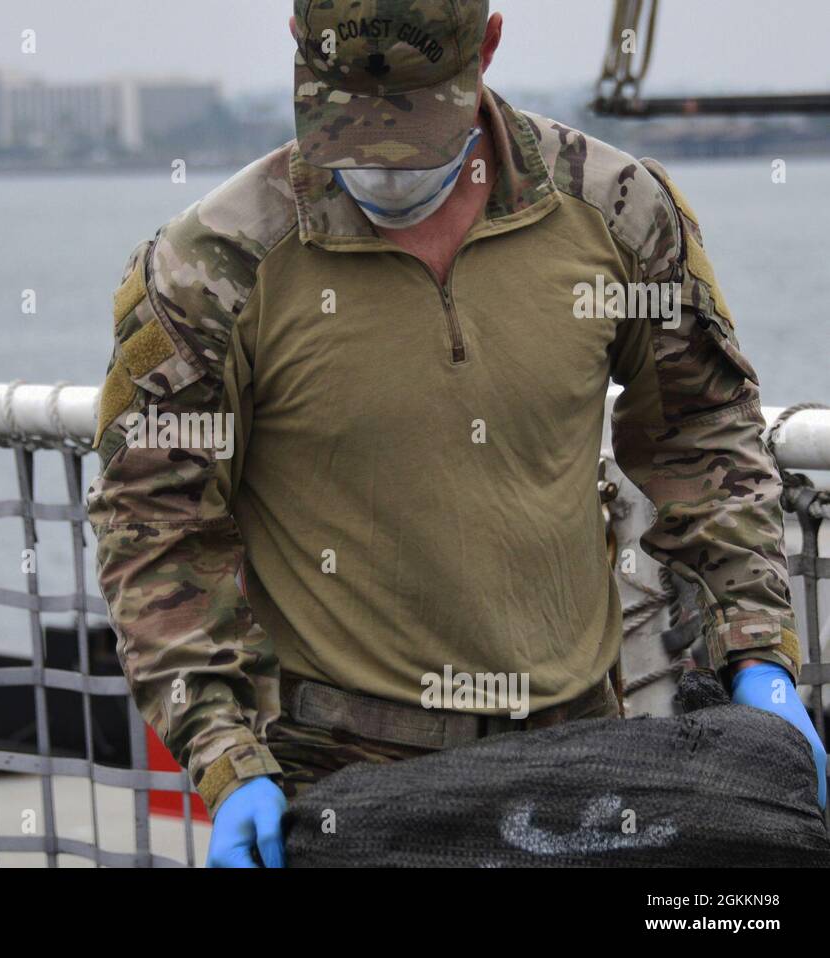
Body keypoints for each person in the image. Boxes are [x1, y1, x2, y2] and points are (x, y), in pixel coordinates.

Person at [87, 0, 826, 868]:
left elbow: (703, 431)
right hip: (340, 781)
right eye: (351, 116)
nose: (383, 161)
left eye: (415, 119)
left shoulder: (617, 214)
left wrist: (754, 651)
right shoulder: (211, 269)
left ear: (489, 44)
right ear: (298, 46)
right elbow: (155, 524)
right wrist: (224, 754)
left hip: (582, 759)